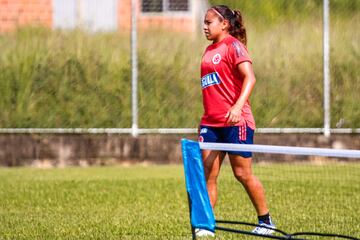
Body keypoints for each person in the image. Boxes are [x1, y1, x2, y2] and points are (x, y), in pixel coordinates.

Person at [196, 5, 275, 237]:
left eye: (209, 22)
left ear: (225, 24)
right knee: (208, 173)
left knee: (242, 174)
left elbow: (250, 78)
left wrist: (238, 107)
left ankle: (266, 221)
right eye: (204, 22)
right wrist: (205, 120)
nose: (204, 27)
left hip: (236, 123)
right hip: (211, 123)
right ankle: (206, 225)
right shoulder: (209, 50)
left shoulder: (234, 46)